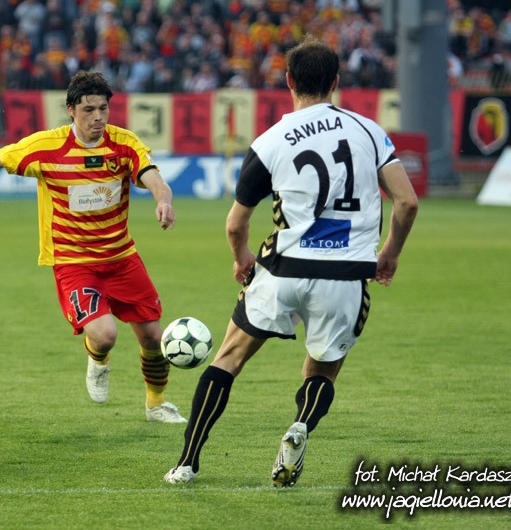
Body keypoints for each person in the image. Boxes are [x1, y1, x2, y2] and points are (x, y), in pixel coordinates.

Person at [163, 36, 419, 487]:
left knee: (228, 358)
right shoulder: (369, 132)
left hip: (285, 268)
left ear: (288, 81)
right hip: (346, 275)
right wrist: (389, 254)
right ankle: (300, 426)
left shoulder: (271, 141)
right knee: (321, 371)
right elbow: (407, 202)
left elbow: (236, 224)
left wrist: (241, 259)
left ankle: (187, 462)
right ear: (335, 82)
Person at [0, 71, 187, 424]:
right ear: (71, 109)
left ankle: (156, 404)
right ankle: (97, 359)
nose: (98, 117)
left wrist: (164, 200)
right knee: (105, 336)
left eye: (103, 109)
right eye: (89, 110)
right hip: (74, 262)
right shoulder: (46, 147)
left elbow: (154, 178)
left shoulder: (124, 143)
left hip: (121, 258)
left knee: (153, 337)